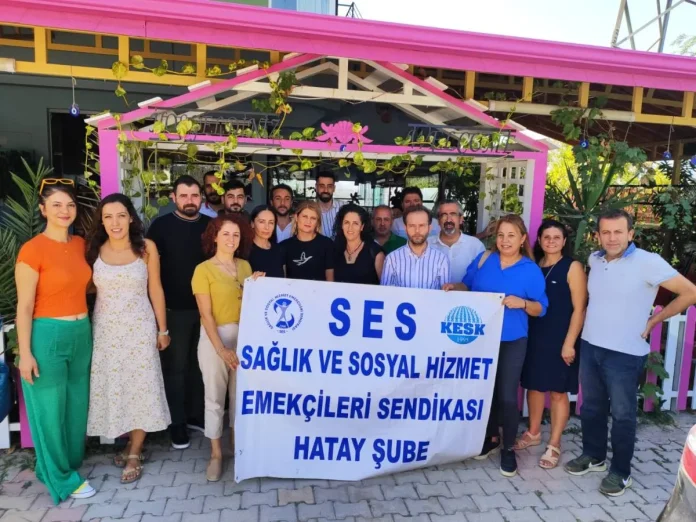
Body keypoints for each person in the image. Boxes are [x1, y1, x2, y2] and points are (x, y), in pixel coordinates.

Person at [565, 209, 696, 496]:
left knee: (623, 415)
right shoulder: (595, 260)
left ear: (631, 234)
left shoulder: (648, 262)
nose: (612, 238)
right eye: (606, 232)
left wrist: (655, 319)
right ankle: (594, 456)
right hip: (591, 345)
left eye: (618, 232)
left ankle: (621, 472)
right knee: (591, 407)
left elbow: (690, 292)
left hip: (625, 353)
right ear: (598, 235)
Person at [444, 214, 548, 478]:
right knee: (484, 391)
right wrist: (454, 287)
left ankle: (508, 449)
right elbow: (467, 285)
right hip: (480, 339)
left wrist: (523, 303)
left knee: (507, 395)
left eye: (511, 235)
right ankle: (490, 438)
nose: (505, 240)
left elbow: (541, 308)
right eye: (501, 235)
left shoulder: (530, 270)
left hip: (512, 340)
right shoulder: (484, 259)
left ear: (522, 239)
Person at [15, 179, 96, 503]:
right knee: (49, 410)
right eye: (57, 205)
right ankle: (62, 479)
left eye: (70, 205)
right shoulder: (32, 249)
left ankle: (60, 465)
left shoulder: (80, 245)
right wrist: (25, 353)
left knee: (76, 407)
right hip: (47, 335)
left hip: (81, 332)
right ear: (43, 209)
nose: (65, 211)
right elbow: (24, 306)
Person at [85, 193, 171, 483]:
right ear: (101, 221)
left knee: (141, 388)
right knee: (116, 386)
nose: (115, 222)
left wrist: (162, 329)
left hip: (139, 330)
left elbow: (156, 288)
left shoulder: (146, 248)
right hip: (106, 332)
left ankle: (135, 451)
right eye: (108, 217)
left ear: (131, 218)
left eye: (121, 215)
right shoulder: (94, 250)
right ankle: (127, 443)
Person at [192, 214, 261, 481]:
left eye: (236, 235)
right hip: (215, 338)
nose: (231, 239)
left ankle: (237, 445)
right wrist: (221, 349)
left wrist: (258, 285)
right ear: (214, 237)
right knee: (215, 397)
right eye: (226, 234)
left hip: (244, 337)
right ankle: (216, 454)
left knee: (239, 397)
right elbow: (206, 315)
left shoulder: (245, 266)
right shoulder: (203, 270)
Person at [146, 175, 211, 450]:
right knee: (176, 369)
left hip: (207, 310)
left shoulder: (210, 226)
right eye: (183, 195)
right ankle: (177, 424)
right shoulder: (160, 227)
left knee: (200, 366)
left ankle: (196, 416)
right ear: (173, 197)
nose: (189, 201)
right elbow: (151, 273)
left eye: (194, 195)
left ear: (201, 198)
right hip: (174, 310)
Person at [516, 220, 587, 470]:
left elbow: (580, 308)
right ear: (539, 240)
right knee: (534, 387)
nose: (551, 241)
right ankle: (533, 432)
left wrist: (569, 343)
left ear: (564, 241)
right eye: (547, 237)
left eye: (557, 237)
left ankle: (555, 443)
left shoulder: (572, 267)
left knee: (558, 392)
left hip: (561, 338)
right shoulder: (533, 265)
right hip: (534, 336)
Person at [381, 205, 449, 289]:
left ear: (429, 228)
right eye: (412, 226)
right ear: (405, 228)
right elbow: (385, 293)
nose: (417, 231)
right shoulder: (391, 259)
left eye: (421, 225)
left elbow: (444, 294)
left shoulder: (441, 260)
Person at [428, 200, 485, 284]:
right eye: (444, 215)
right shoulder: (427, 244)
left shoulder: (476, 246)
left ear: (461, 219)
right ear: (438, 221)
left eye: (453, 214)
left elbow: (482, 277)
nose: (448, 219)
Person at [333, 203, 385, 285]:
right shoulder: (335, 250)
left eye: (355, 223)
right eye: (346, 222)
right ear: (341, 225)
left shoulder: (375, 253)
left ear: (362, 227)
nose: (350, 228)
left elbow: (385, 287)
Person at [283, 200, 335, 281]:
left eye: (313, 218)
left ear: (317, 222)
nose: (308, 221)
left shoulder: (327, 245)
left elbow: (330, 281)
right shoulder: (284, 247)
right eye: (304, 216)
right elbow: (282, 280)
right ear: (296, 217)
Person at [249, 204, 285, 278]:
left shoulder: (279, 250)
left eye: (271, 222)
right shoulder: (245, 251)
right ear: (252, 224)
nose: (267, 227)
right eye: (262, 222)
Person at [315, 170, 342, 237]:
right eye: (322, 186)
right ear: (316, 187)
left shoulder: (343, 208)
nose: (326, 190)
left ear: (334, 188)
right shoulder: (310, 210)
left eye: (329, 186)